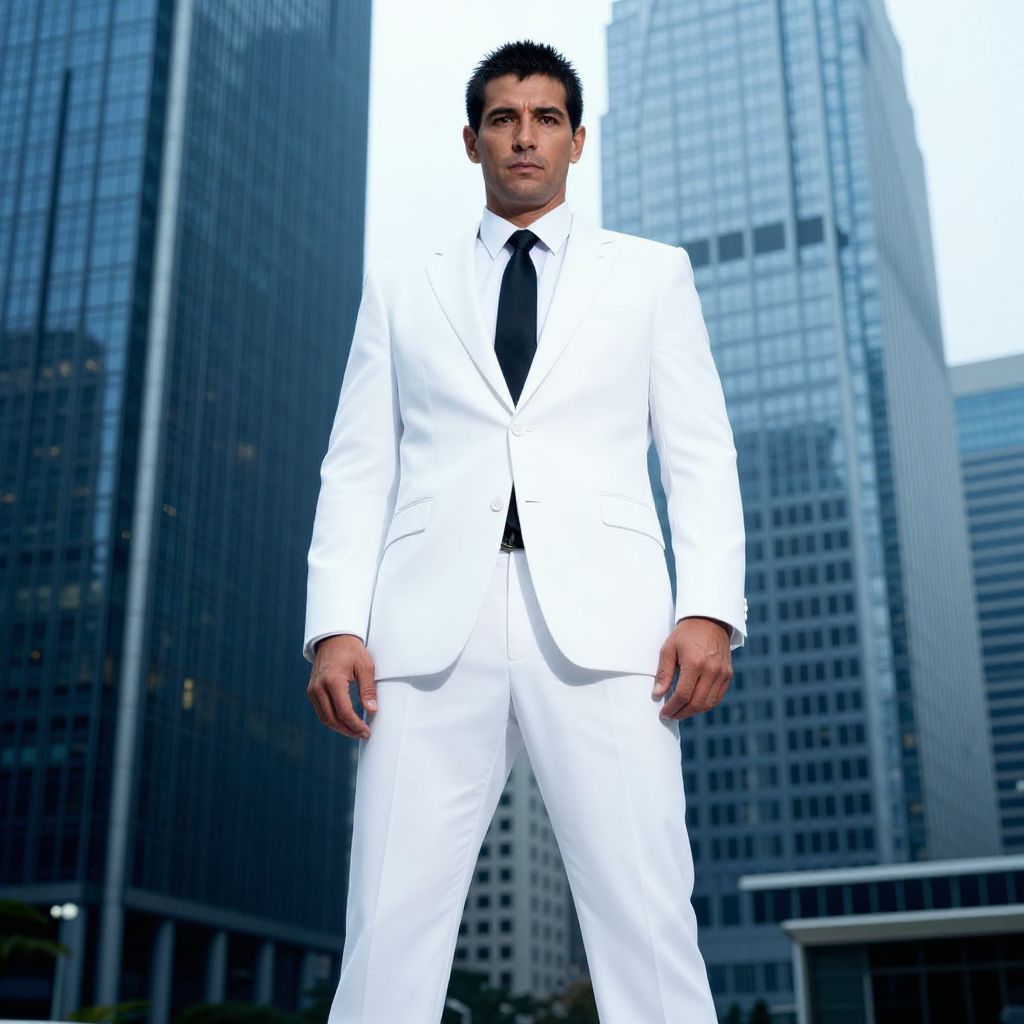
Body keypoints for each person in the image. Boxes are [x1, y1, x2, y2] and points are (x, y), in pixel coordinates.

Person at [303, 39, 746, 1024]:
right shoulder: (400, 285)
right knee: (387, 917)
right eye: (503, 119)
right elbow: (358, 465)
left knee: (645, 910)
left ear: (577, 140)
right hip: (424, 631)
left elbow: (699, 457)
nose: (524, 137)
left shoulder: (652, 277)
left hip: (608, 630)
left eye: (546, 118)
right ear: (471, 140)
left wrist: (708, 608)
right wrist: (335, 623)